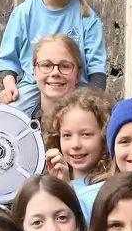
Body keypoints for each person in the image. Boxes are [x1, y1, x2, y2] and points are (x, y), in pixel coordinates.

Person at [0, 0, 108, 118]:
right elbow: (9, 60)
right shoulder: (23, 13)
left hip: (76, 88)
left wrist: (93, 103)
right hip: (33, 87)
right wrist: (10, 86)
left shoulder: (87, 17)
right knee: (9, 120)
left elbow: (97, 70)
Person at [45, 87, 114, 216]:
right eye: (67, 135)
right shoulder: (47, 183)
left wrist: (66, 190)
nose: (75, 145)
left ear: (104, 136)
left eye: (86, 134)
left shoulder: (111, 187)